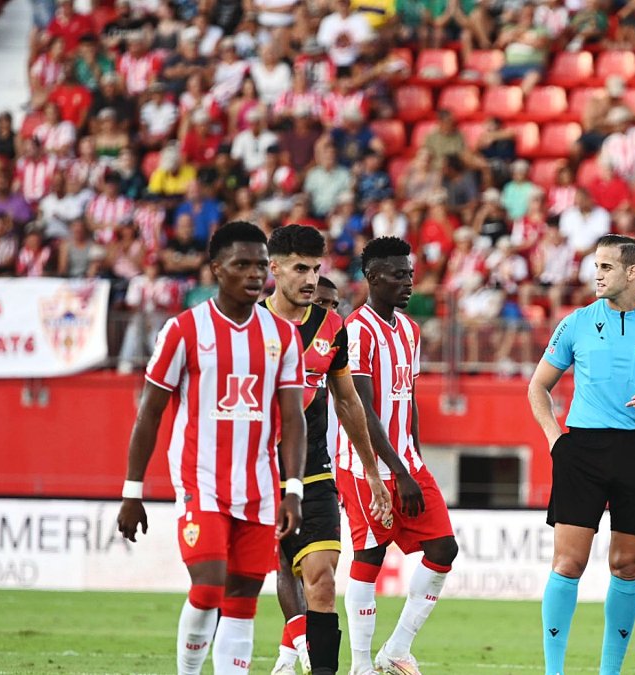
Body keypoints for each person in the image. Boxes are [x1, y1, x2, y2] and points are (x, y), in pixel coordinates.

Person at [116, 221, 307, 675]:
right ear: (216, 269)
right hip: (200, 482)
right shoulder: (183, 330)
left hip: (260, 489)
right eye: (242, 264)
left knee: (242, 601)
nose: (255, 274)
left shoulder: (282, 336)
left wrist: (294, 489)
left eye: (261, 265)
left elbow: (293, 418)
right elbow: (150, 414)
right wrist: (132, 491)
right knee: (207, 588)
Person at [528, 234, 635, 675]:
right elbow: (538, 386)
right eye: (595, 266)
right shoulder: (576, 323)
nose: (596, 275)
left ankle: (610, 672)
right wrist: (555, 440)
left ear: (632, 271)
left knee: (625, 566)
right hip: (580, 450)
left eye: (606, 267)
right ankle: (554, 672)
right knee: (568, 563)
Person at [262, 225, 394, 675]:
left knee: (321, 579)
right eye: (300, 269)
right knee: (231, 586)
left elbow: (348, 401)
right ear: (274, 268)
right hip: (256, 469)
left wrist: (372, 471)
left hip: (313, 468)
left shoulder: (331, 327)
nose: (310, 279)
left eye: (315, 269)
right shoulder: (249, 324)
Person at [338, 236, 457, 675]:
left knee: (443, 548)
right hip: (365, 466)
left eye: (410, 274)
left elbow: (407, 400)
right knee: (369, 558)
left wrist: (414, 463)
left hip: (406, 462)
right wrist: (397, 471)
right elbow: (361, 407)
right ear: (372, 277)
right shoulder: (357, 330)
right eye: (397, 275)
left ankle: (396, 649)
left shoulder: (409, 329)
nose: (408, 282)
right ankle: (360, 665)